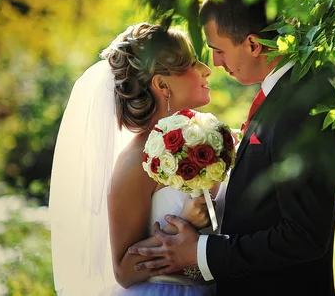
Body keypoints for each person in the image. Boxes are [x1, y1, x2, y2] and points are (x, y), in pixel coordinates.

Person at [128, 0, 335, 295]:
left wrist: (200, 252)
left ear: (254, 45)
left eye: (218, 50)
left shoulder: (303, 106)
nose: (215, 63)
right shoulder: (279, 96)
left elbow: (303, 235)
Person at [49, 23, 221, 296]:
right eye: (191, 63)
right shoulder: (135, 161)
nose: (207, 69)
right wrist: (184, 226)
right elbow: (124, 271)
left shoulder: (208, 138)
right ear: (162, 84)